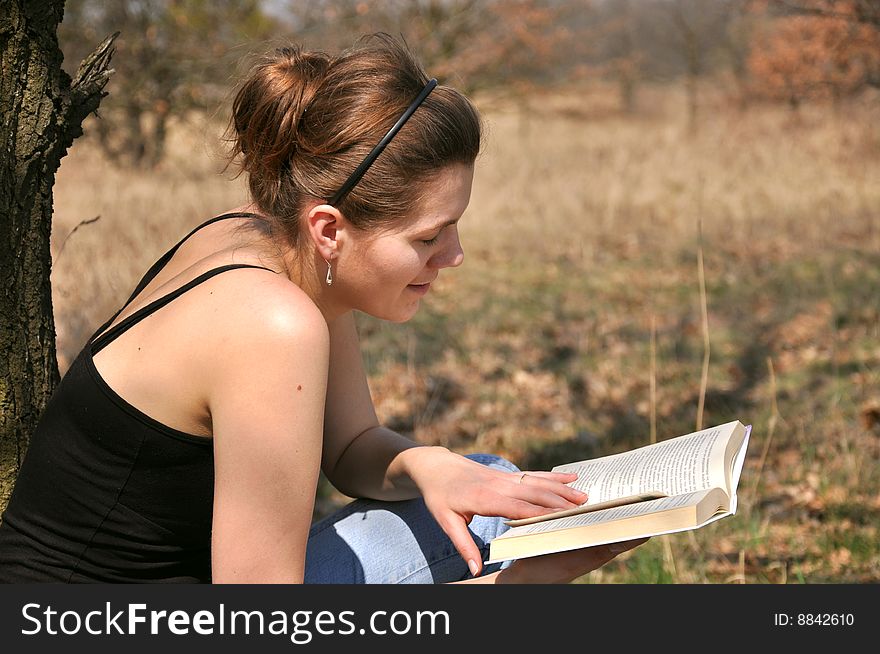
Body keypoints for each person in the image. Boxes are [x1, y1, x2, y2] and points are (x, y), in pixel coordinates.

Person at [0, 34, 645, 583]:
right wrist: (528, 585)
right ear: (330, 229)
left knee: (485, 484)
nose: (454, 255)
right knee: (499, 526)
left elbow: (353, 447)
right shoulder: (272, 324)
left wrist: (429, 465)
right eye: (428, 237)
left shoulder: (270, 244)